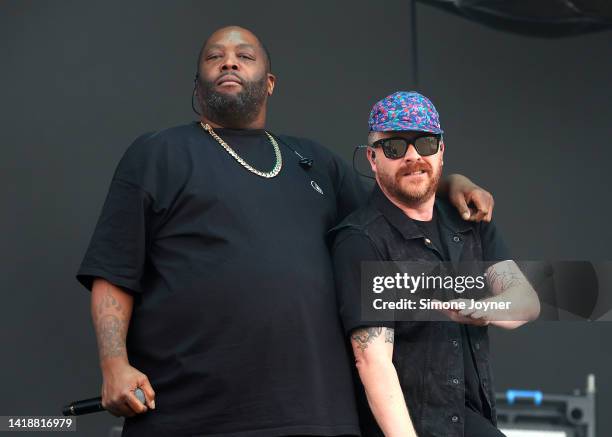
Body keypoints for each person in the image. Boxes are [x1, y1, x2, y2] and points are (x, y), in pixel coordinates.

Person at [76, 26, 496, 437]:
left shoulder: (311, 160)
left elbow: (392, 191)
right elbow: (114, 269)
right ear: (197, 82)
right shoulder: (157, 153)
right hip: (194, 413)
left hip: (317, 414)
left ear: (270, 82)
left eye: (245, 56)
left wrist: (448, 181)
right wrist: (114, 363)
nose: (229, 61)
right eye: (214, 56)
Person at [331, 91, 540, 437]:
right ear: (372, 158)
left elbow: (526, 302)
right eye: (395, 148)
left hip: (473, 419)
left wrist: (482, 308)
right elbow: (373, 362)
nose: (413, 157)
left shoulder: (469, 220)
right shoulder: (360, 240)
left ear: (441, 151)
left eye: (425, 143)